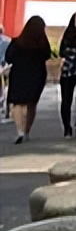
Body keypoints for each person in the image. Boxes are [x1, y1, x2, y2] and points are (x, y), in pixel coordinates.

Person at [6, 16, 52, 144]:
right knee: (31, 104)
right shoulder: (42, 45)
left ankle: (19, 131)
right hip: (36, 76)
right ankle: (27, 131)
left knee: (17, 104)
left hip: (18, 75)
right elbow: (47, 55)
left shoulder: (17, 43)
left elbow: (9, 57)